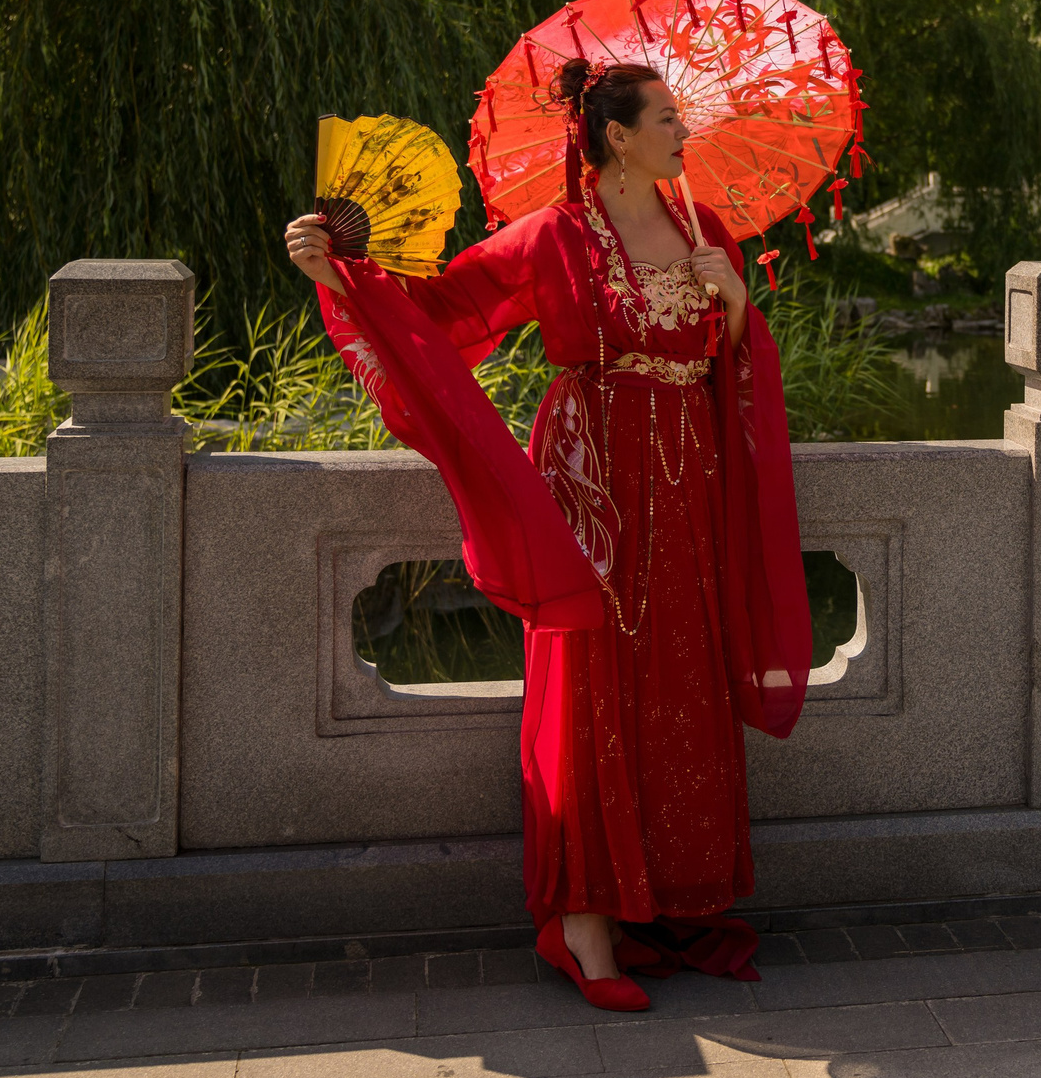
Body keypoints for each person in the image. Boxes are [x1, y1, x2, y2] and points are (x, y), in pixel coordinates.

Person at [283, 62, 810, 1011]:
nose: (684, 130)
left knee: (679, 679)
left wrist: (732, 299)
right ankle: (585, 932)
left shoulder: (705, 231)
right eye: (668, 116)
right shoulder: (555, 239)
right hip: (596, 484)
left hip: (690, 490)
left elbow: (732, 357)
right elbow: (443, 316)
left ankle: (669, 897)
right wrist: (341, 271)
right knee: (591, 684)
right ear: (617, 136)